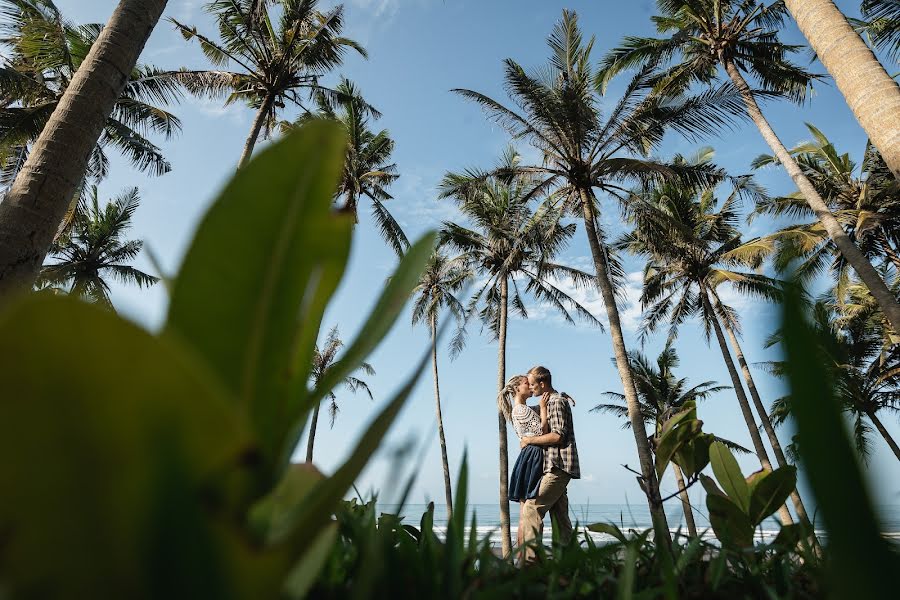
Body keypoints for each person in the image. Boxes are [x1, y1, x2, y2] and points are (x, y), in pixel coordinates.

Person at [518, 365, 580, 563]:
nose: (531, 387)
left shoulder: (556, 402)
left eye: (533, 384)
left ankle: (530, 564)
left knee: (531, 508)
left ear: (543, 384)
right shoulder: (548, 402)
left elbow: (558, 436)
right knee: (560, 518)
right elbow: (524, 412)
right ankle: (569, 563)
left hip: (558, 466)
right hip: (553, 466)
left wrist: (529, 441)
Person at [499, 375, 548, 555]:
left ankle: (521, 556)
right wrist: (543, 408)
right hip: (533, 455)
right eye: (527, 383)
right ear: (517, 389)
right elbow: (543, 431)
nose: (531, 386)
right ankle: (524, 556)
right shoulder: (521, 410)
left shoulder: (522, 409)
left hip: (528, 455)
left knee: (524, 512)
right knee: (526, 512)